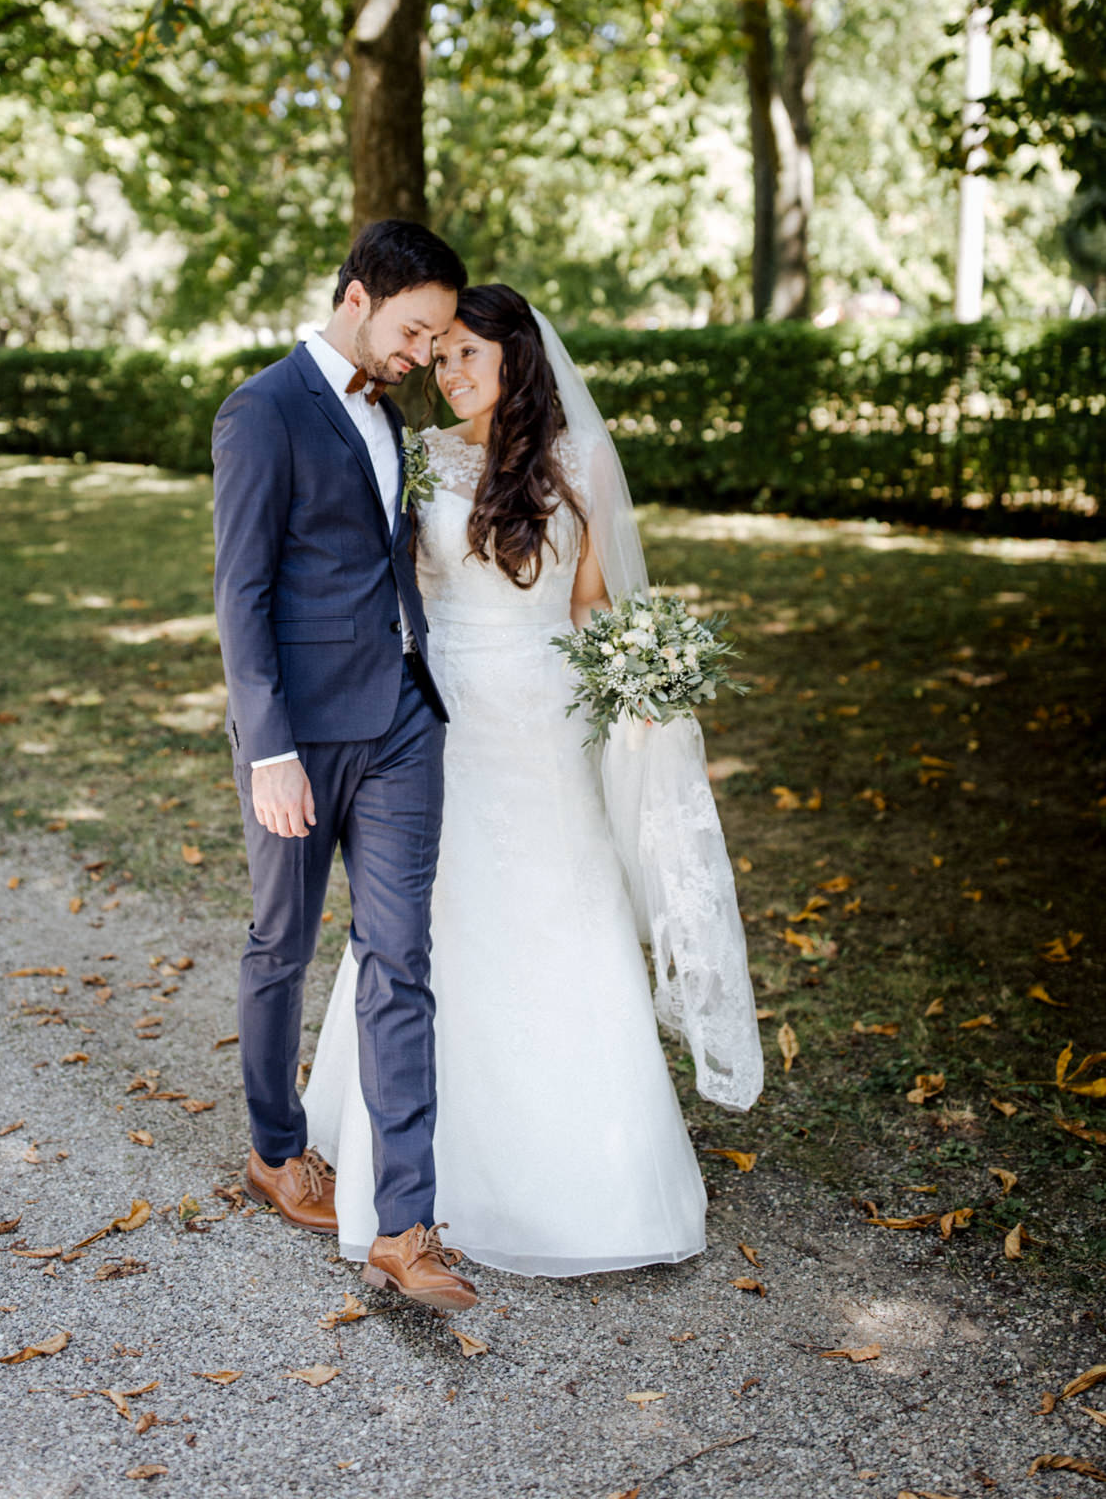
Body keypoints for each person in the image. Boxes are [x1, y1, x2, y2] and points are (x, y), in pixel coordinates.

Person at [303, 284, 763, 1277]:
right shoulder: (420, 461)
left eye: (469, 352)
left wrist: (638, 667)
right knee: (428, 917)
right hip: (442, 718)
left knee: (562, 910)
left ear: (517, 354)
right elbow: (391, 592)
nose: (451, 372)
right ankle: (410, 1164)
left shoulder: (582, 460)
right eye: (440, 358)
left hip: (545, 724)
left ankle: (585, 1177)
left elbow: (588, 601)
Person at [211, 218, 480, 1312]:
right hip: (302, 733)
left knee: (398, 956)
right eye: (416, 329)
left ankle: (404, 1225)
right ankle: (278, 1148)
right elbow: (243, 593)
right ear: (360, 298)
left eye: (439, 338)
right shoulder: (261, 410)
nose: (423, 355)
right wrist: (268, 745)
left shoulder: (394, 404)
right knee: (281, 940)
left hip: (405, 718)